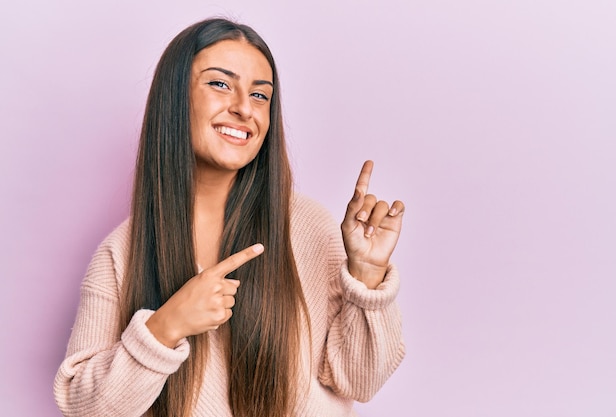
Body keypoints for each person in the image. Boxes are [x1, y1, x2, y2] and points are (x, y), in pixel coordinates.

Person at [54, 17, 405, 417]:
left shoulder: (309, 227)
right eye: (220, 84)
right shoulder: (120, 254)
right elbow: (84, 408)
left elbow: (359, 382)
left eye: (260, 95)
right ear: (175, 98)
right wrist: (165, 328)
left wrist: (368, 275)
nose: (243, 107)